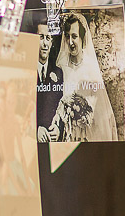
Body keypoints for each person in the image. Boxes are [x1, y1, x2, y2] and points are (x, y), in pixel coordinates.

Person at [51, 12, 119, 141]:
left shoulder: (90, 70)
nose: (70, 42)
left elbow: (100, 116)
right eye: (67, 36)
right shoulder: (61, 69)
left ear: (82, 37)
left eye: (74, 36)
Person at [35, 26, 63, 142]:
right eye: (41, 37)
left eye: (48, 38)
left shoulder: (58, 72)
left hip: (53, 140)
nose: (45, 44)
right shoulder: (26, 70)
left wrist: (58, 128)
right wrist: (35, 129)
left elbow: (61, 104)